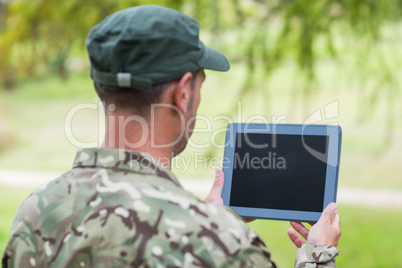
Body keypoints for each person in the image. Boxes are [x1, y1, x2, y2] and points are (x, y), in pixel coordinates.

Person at [2, 5, 341, 268]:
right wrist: (317, 254)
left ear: (101, 87)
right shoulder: (222, 244)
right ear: (182, 93)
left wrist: (207, 214)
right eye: (199, 85)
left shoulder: (36, 213)